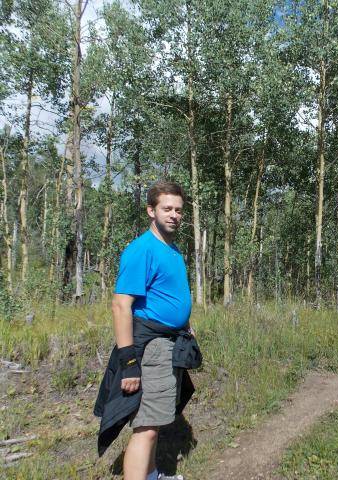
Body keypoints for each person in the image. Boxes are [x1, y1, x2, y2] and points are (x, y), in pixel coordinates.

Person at [94, 181, 201, 480]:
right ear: (151, 211)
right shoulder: (142, 249)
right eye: (167, 208)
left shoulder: (172, 249)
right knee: (147, 427)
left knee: (155, 422)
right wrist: (129, 364)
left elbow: (166, 295)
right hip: (151, 347)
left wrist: (186, 326)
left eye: (178, 210)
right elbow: (120, 306)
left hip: (171, 343)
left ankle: (153, 474)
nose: (174, 215)